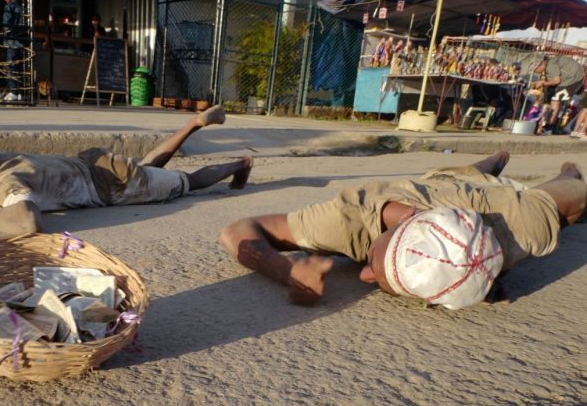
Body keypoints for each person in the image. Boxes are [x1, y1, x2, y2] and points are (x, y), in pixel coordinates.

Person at [220, 151, 586, 309]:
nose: (362, 275)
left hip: (488, 205)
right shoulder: (350, 218)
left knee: (568, 206)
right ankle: (487, 166)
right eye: (374, 263)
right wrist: (285, 271)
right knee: (453, 177)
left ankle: (487, 170)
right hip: (432, 187)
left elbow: (575, 195)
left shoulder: (518, 229)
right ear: (398, 226)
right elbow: (236, 230)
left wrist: (570, 178)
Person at [0, 106, 254, 235]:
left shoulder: (2, 179)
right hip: (93, 166)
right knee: (150, 169)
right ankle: (194, 123)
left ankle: (241, 164)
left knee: (187, 182)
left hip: (111, 184)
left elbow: (27, 221)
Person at [533, 55, 585, 134]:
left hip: (573, 78)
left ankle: (549, 126)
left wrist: (543, 83)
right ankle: (552, 125)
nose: (536, 72)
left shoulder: (550, 66)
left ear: (541, 65)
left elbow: (557, 81)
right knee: (557, 99)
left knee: (555, 100)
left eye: (535, 70)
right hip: (575, 75)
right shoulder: (551, 62)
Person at [1, 0, 23, 102]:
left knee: (11, 65)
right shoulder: (20, 6)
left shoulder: (9, 6)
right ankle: (19, 91)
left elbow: (7, 23)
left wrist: (5, 32)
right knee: (19, 66)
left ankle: (14, 91)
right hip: (20, 40)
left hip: (11, 40)